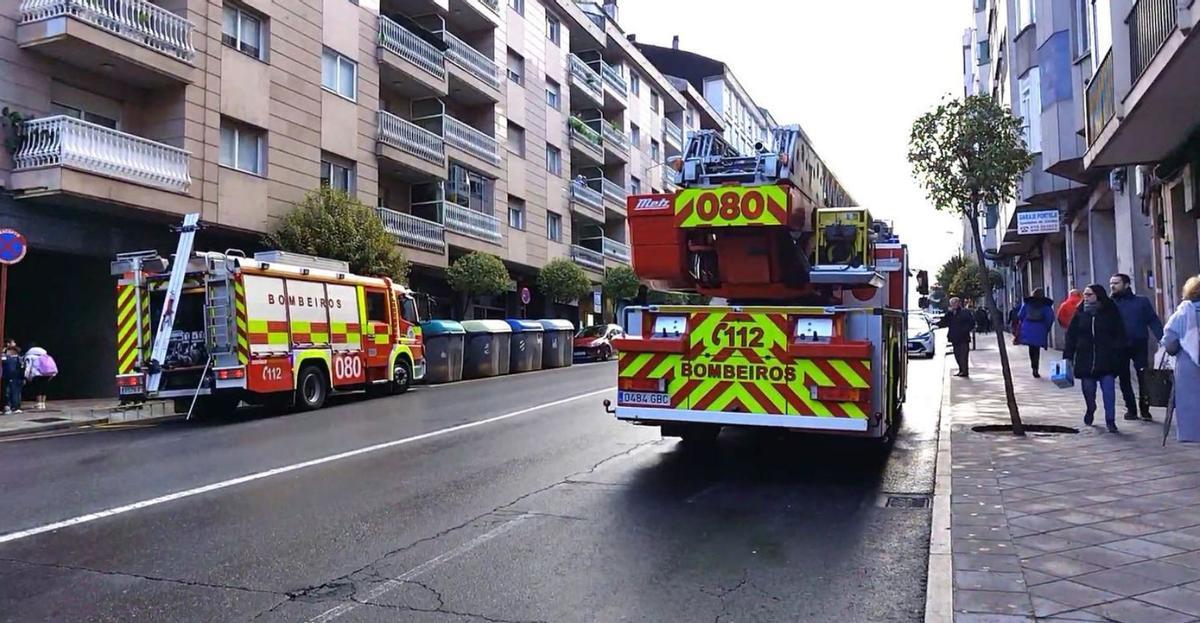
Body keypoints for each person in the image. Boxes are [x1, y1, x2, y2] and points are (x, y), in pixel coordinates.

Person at [1064, 284, 1127, 432]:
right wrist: (1068, 356)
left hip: (1106, 360)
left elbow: (1120, 334)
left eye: (1089, 294)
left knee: (1109, 393)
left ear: (1098, 295)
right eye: (1085, 294)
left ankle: (1110, 421)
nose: (1086, 297)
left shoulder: (1110, 312)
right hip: (1085, 361)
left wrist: (1117, 353)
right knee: (1088, 391)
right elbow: (1071, 336)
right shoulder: (1080, 314)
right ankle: (1090, 409)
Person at [1109, 273, 1164, 421]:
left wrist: (1162, 339)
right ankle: (1131, 409)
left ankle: (1145, 409)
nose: (1113, 286)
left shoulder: (1141, 302)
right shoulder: (1109, 303)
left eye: (1116, 283)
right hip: (1119, 345)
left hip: (1139, 343)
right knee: (1124, 377)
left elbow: (1153, 320)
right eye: (1111, 283)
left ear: (1126, 285)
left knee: (1143, 376)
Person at [1161, 276, 1200, 442]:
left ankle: (1193, 434)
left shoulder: (1184, 312)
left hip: (1188, 363)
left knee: (1191, 400)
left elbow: (1169, 340)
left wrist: (1175, 351)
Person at [1017, 288, 1055, 378]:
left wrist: (1024, 324)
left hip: (1028, 328)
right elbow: (1050, 318)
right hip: (1040, 328)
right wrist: (1047, 327)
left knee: (1031, 348)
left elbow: (1020, 315)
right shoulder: (1045, 305)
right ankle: (1036, 368)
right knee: (1036, 349)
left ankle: (1034, 367)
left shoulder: (1027, 304)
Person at [939, 297, 976, 377]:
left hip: (963, 338)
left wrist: (964, 330)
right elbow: (944, 322)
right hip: (954, 339)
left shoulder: (965, 312)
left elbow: (971, 323)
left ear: (958, 303)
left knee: (963, 356)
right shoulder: (950, 314)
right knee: (957, 355)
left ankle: (964, 371)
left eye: (954, 303)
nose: (953, 305)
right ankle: (961, 370)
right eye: (951, 304)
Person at [23, 343, 57, 411]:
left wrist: (26, 376)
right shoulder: (47, 356)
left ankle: (38, 403)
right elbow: (52, 366)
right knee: (44, 389)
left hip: (37, 374)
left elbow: (28, 367)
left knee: (38, 388)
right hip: (47, 374)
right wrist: (53, 374)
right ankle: (43, 403)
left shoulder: (30, 356)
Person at [1, 341, 24, 414]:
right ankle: (12, 407)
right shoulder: (18, 359)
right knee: (11, 393)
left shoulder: (13, 359)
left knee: (11, 393)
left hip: (12, 378)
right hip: (13, 378)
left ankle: (12, 407)